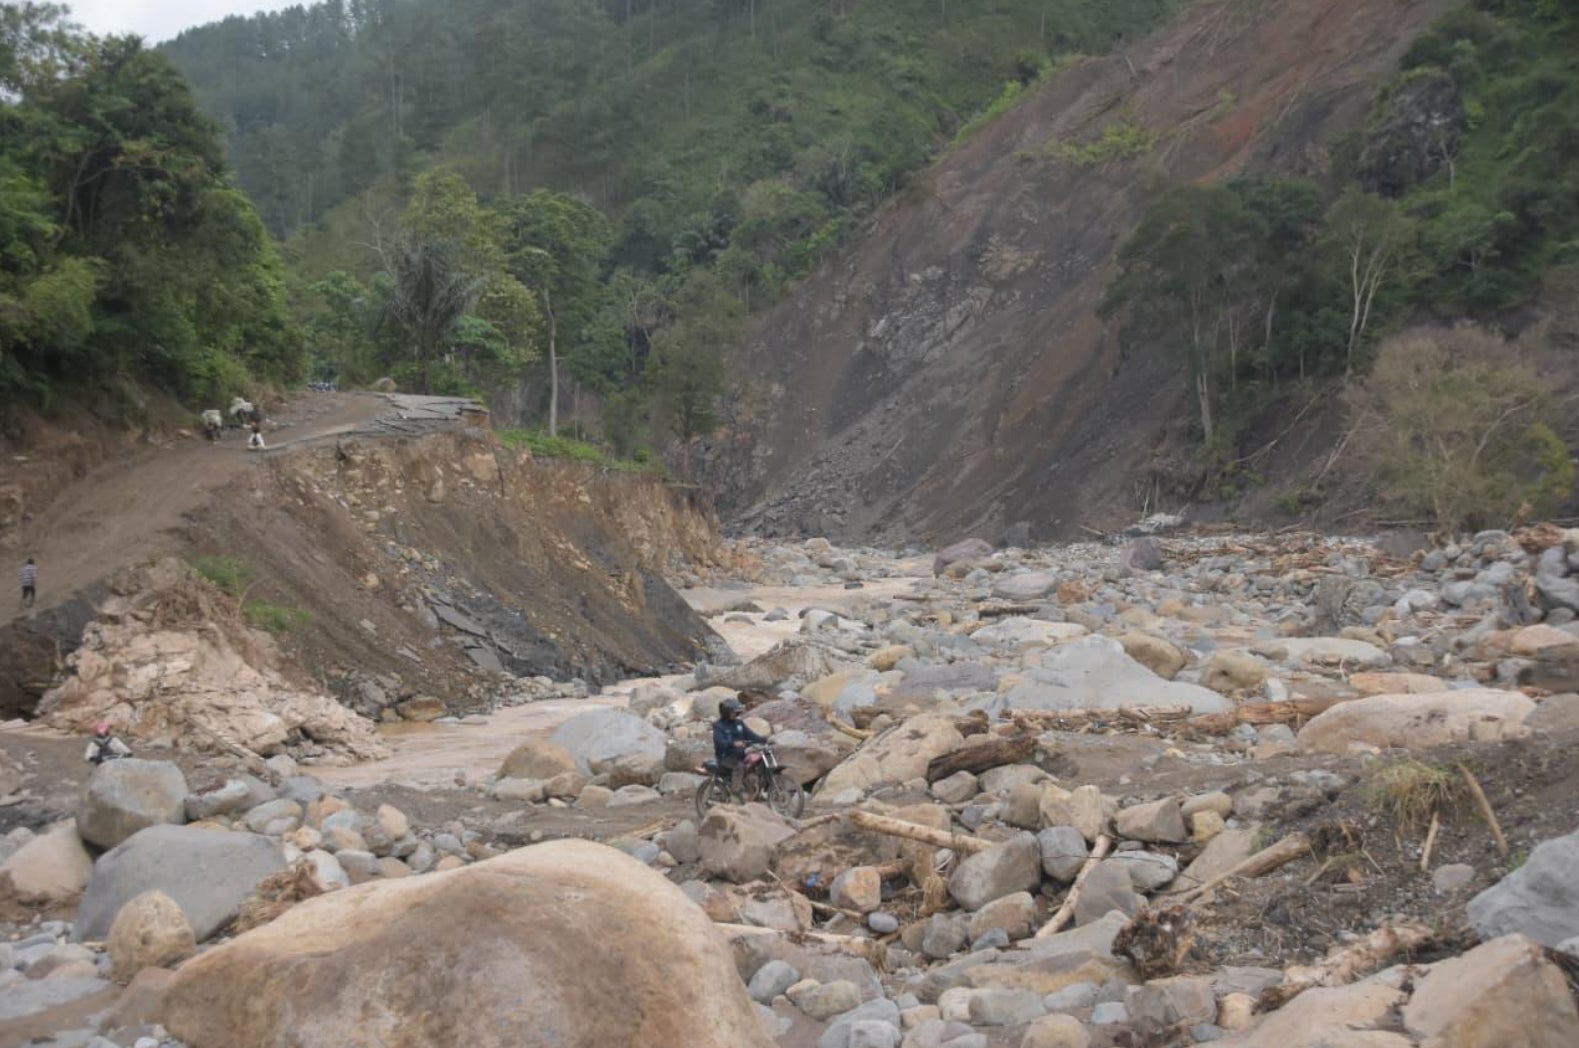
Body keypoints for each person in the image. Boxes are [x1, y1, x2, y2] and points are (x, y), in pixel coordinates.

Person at [712, 697, 767, 796]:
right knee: (740, 766)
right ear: (726, 712)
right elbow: (719, 742)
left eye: (736, 712)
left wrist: (766, 740)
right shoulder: (718, 726)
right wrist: (733, 743)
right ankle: (736, 792)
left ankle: (755, 788)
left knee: (759, 760)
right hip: (725, 758)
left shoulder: (739, 724)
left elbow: (752, 735)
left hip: (740, 755)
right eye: (733, 712)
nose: (736, 714)